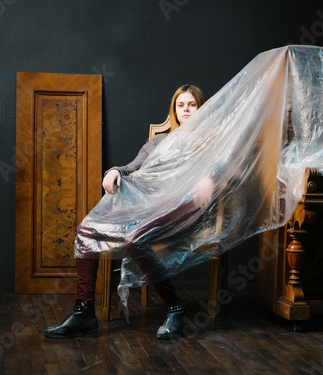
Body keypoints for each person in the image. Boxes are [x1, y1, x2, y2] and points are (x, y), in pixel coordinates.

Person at [44, 84, 208, 340]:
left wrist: (209, 179)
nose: (186, 110)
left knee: (135, 237)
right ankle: (84, 312)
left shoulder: (209, 145)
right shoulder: (158, 143)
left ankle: (177, 308)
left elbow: (222, 174)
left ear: (201, 108)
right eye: (181, 105)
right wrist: (115, 171)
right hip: (150, 207)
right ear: (174, 110)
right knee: (86, 230)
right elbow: (132, 167)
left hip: (186, 209)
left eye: (192, 105)